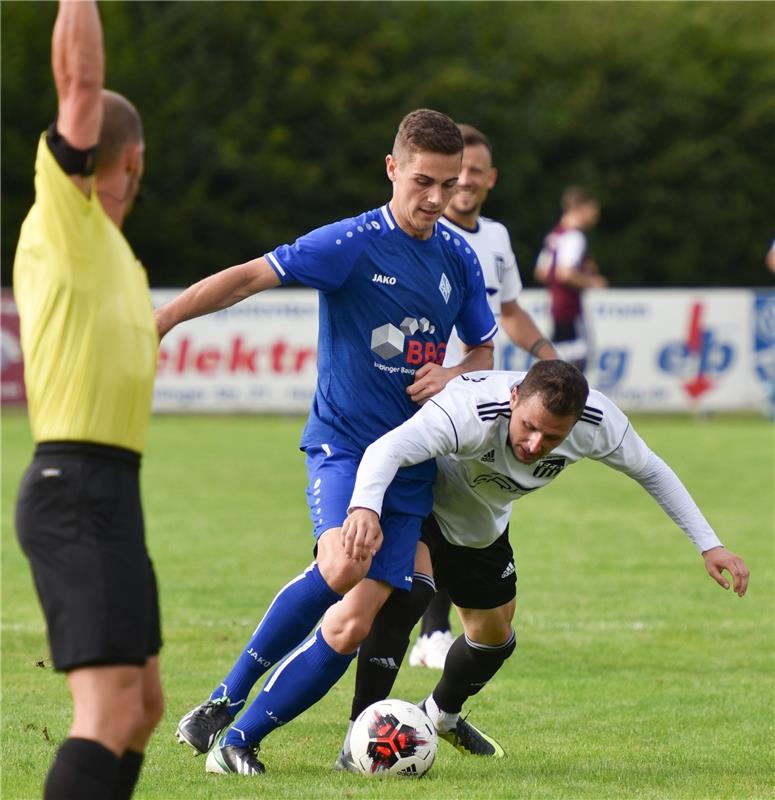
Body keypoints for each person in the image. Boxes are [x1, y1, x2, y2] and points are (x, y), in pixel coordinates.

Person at [156, 109, 498, 776]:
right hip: (343, 446)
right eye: (422, 181)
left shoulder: (457, 254)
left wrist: (455, 373)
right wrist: (165, 317)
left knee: (355, 620)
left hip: (408, 468)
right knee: (341, 566)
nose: (435, 199)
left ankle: (237, 740)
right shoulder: (351, 242)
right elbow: (251, 276)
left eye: (448, 184)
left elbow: (483, 347)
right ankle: (224, 699)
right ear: (392, 168)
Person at [334, 360, 750, 768]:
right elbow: (386, 449)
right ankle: (358, 741)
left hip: (481, 528)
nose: (535, 445)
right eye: (529, 427)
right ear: (514, 398)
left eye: (552, 436)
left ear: (574, 426)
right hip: (419, 506)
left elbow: (652, 470)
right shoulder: (471, 408)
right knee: (409, 597)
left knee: (494, 638)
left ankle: (441, 716)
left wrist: (710, 546)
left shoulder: (597, 422)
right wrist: (365, 508)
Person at [12, 2, 163, 799]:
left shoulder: (115, 256)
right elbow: (80, 80)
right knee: (106, 710)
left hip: (110, 491)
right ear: (132, 160)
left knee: (141, 706)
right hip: (76, 490)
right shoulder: (67, 215)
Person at [403, 123, 557, 670]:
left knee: (470, 502)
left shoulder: (494, 238)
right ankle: (428, 629)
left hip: (488, 385)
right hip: (436, 388)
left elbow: (509, 312)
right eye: (457, 171)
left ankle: (435, 629)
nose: (464, 181)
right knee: (437, 502)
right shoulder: (425, 233)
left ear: (489, 179)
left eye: (474, 171)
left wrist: (545, 353)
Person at [534, 187, 608, 373]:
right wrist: (592, 281)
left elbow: (542, 271)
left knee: (559, 365)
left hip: (556, 308)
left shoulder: (555, 234)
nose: (596, 214)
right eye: (593, 208)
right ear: (582, 207)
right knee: (575, 367)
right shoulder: (574, 236)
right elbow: (564, 273)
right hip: (569, 309)